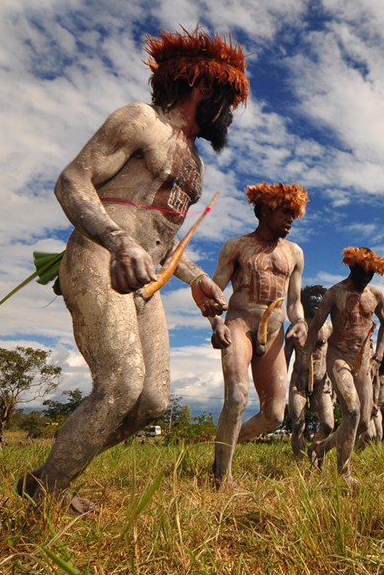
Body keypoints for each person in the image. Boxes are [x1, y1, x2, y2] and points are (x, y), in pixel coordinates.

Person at [17, 27, 247, 513]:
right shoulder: (139, 121)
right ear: (202, 87)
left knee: (151, 403)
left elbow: (161, 242)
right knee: (120, 383)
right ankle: (50, 497)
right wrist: (118, 241)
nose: (228, 114)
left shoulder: (195, 167)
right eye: (226, 100)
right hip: (100, 257)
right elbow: (71, 180)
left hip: (146, 280)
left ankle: (49, 476)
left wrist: (199, 278)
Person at [208, 182, 309, 487]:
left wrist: (300, 323)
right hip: (239, 324)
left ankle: (223, 447)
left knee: (275, 415)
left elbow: (294, 302)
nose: (291, 219)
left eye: (295, 213)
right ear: (265, 210)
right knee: (238, 396)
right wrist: (217, 324)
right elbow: (213, 292)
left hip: (275, 332)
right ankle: (222, 478)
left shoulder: (294, 253)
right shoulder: (236, 246)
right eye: (285, 212)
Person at [305, 247, 384, 484]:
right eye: (361, 271)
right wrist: (305, 360)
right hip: (338, 357)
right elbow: (315, 326)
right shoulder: (335, 293)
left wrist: (379, 354)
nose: (366, 277)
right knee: (351, 411)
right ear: (351, 267)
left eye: (371, 272)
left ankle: (322, 448)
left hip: (362, 363)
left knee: (363, 423)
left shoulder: (376, 295)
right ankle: (344, 474)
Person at [285, 284, 335, 459]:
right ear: (303, 305)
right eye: (311, 302)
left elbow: (335, 355)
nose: (315, 305)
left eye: (319, 303)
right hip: (299, 382)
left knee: (328, 425)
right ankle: (299, 461)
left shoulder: (328, 328)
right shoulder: (295, 329)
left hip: (322, 382)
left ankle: (314, 449)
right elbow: (284, 359)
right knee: (298, 424)